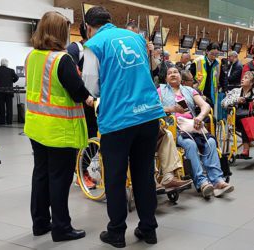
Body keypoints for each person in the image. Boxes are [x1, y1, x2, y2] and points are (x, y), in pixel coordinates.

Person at [83, 6, 165, 247]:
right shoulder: (136, 38)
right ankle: (148, 229)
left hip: (118, 119)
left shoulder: (94, 44)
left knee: (116, 178)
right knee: (144, 173)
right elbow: (148, 70)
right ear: (110, 20)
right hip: (148, 114)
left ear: (88, 27)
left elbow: (91, 85)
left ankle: (117, 232)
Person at [24, 11, 94, 242]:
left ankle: (40, 223)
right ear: (60, 32)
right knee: (60, 179)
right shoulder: (62, 59)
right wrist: (91, 98)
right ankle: (62, 227)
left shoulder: (32, 56)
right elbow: (77, 93)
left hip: (36, 125)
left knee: (41, 175)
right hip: (59, 128)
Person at [159, 67, 234, 198]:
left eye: (175, 72)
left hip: (193, 125)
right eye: (169, 73)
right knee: (190, 144)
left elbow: (205, 106)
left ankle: (218, 181)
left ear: (181, 77)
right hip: (174, 128)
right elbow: (155, 108)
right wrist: (171, 108)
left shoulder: (189, 90)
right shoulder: (160, 91)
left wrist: (199, 117)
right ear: (165, 78)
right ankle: (202, 182)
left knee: (210, 141)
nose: (172, 75)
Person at [67, 22, 98, 189]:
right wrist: (84, 95)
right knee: (83, 139)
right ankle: (81, 172)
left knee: (95, 139)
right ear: (89, 29)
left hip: (98, 102)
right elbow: (70, 75)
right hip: (82, 103)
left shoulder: (98, 47)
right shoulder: (75, 49)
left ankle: (82, 168)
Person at [222, 71, 254, 157]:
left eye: (246, 78)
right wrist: (236, 100)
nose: (242, 79)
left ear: (252, 82)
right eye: (243, 77)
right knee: (245, 121)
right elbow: (223, 103)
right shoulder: (235, 91)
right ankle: (247, 148)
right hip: (237, 120)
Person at [190, 43, 220, 108]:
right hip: (199, 92)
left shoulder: (217, 64)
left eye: (216, 55)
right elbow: (190, 76)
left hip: (211, 93)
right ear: (207, 51)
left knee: (210, 112)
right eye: (212, 54)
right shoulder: (198, 61)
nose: (214, 57)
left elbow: (222, 77)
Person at [0, 58, 19, 125]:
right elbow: (17, 77)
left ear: (1, 63)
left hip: (0, 91)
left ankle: (2, 121)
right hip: (9, 91)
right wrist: (12, 81)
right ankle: (9, 122)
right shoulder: (11, 70)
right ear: (7, 64)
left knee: (1, 107)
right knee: (9, 107)